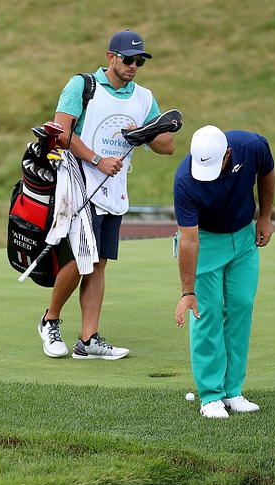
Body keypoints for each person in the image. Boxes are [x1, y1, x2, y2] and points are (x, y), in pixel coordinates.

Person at [37, 29, 175, 360]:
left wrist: (145, 134)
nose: (133, 66)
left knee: (98, 264)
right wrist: (97, 159)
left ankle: (88, 341)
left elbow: (167, 146)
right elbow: (59, 132)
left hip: (114, 192)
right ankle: (49, 320)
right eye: (128, 59)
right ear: (110, 57)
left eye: (139, 61)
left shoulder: (143, 97)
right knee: (80, 261)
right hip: (78, 184)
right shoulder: (82, 86)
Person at [173, 125, 275, 418]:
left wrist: (265, 217)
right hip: (206, 242)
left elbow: (267, 171)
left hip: (243, 238)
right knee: (206, 313)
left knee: (242, 306)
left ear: (228, 154)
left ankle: (233, 391)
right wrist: (187, 292)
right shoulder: (184, 179)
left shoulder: (252, 145)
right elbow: (189, 239)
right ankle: (210, 396)